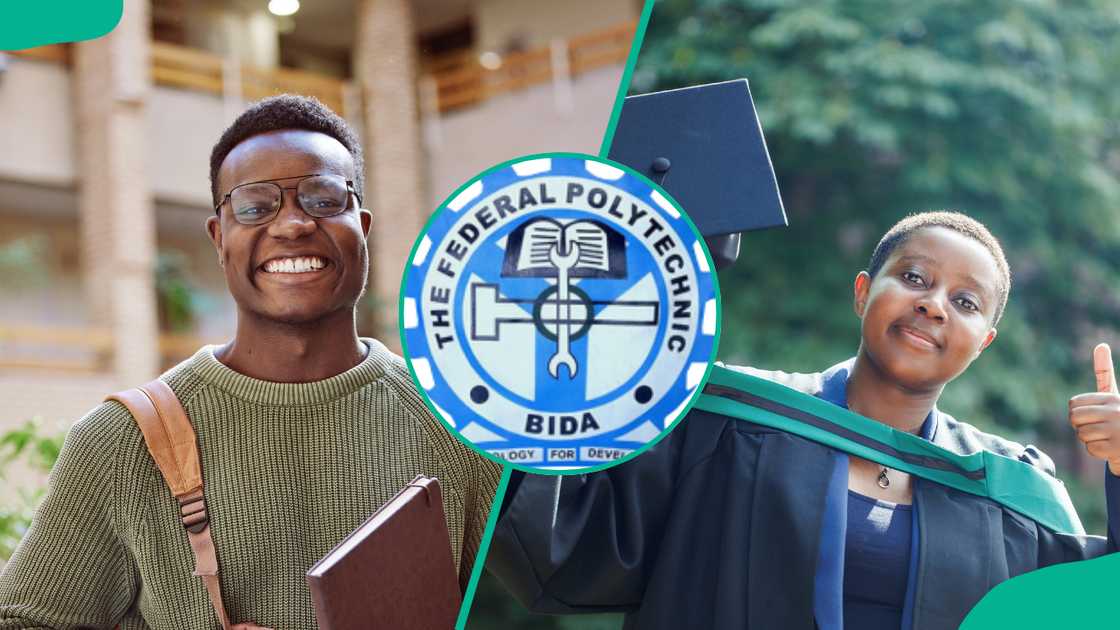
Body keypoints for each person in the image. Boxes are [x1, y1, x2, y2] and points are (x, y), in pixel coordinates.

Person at [0, 95, 501, 629]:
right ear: (220, 239)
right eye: (255, 206)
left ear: (363, 227)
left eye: (324, 198)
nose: (293, 225)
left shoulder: (461, 420)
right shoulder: (124, 442)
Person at [488, 211, 1120, 630]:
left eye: (965, 301)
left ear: (984, 341)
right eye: (913, 277)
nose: (932, 305)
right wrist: (546, 359)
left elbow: (1091, 607)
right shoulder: (730, 421)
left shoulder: (1009, 489)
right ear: (862, 291)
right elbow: (568, 538)